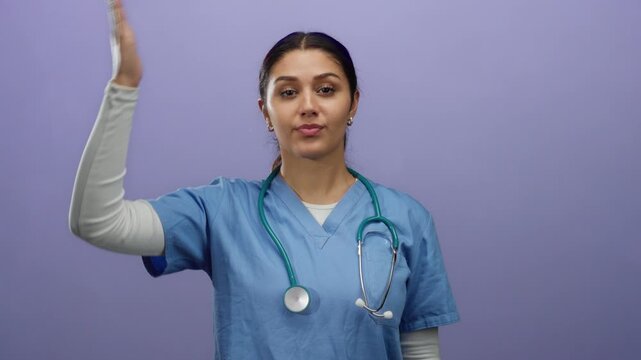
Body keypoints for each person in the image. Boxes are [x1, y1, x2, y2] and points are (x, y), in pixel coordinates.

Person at [69, 0, 459, 358]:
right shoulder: (220, 211)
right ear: (266, 112)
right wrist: (124, 85)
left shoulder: (405, 220)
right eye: (288, 92)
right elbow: (97, 221)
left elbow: (420, 352)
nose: (308, 106)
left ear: (353, 103)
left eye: (326, 89)